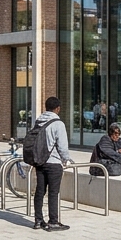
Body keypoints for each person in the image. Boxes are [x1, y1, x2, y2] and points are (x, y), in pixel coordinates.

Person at [30, 96, 71, 231]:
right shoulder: (58, 124)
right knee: (53, 193)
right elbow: (62, 147)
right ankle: (53, 221)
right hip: (53, 162)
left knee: (40, 191)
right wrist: (66, 159)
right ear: (57, 108)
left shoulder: (39, 121)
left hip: (40, 161)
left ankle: (38, 220)